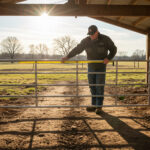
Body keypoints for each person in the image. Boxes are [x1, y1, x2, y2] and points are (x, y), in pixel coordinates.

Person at [61, 25, 117, 114]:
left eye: (93, 34)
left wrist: (109, 58)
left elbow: (114, 49)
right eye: (90, 34)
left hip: (101, 66)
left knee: (99, 86)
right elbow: (77, 49)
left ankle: (99, 106)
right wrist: (67, 56)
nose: (91, 36)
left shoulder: (105, 39)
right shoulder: (86, 41)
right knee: (92, 86)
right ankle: (94, 104)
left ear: (97, 32)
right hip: (91, 66)